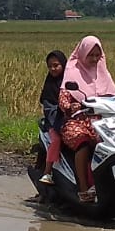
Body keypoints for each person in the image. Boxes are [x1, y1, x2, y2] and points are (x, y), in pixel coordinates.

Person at [58, 35, 115, 202]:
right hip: (76, 121)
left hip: (100, 121)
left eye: (97, 55)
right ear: (83, 53)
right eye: (90, 55)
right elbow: (63, 96)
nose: (94, 59)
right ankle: (84, 189)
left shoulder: (102, 71)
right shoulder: (73, 72)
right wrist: (71, 106)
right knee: (84, 144)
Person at [37, 50, 67, 185]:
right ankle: (47, 172)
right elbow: (49, 109)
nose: (53, 69)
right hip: (54, 122)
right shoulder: (50, 85)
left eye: (56, 65)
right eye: (50, 66)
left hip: (73, 119)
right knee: (56, 139)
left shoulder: (69, 82)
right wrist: (61, 119)